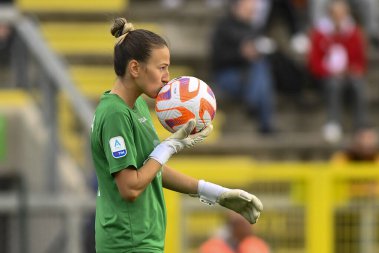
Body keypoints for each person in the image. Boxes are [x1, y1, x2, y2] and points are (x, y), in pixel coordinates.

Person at [90, 17, 263, 253]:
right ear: (134, 68)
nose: (167, 77)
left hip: (143, 241)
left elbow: (151, 170)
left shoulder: (137, 106)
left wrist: (217, 194)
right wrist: (168, 147)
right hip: (127, 244)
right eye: (162, 67)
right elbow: (130, 188)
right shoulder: (114, 114)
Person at [307, 0, 369, 143]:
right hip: (326, 76)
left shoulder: (354, 32)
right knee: (334, 84)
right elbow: (314, 61)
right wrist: (329, 71)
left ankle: (361, 125)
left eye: (342, 14)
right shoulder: (320, 32)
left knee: (358, 84)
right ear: (330, 15)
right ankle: (333, 122)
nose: (339, 17)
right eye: (336, 14)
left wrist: (352, 70)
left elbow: (360, 61)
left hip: (348, 74)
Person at [210, 0, 276, 134]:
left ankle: (252, 102)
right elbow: (217, 58)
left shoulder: (255, 29)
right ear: (236, 7)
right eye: (248, 7)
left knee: (261, 67)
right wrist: (241, 53)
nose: (252, 11)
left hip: (250, 76)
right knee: (261, 74)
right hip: (227, 75)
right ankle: (265, 123)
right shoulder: (223, 28)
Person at [199, 211, 270, 253]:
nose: (252, 226)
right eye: (248, 222)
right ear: (235, 225)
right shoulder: (213, 246)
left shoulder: (255, 244)